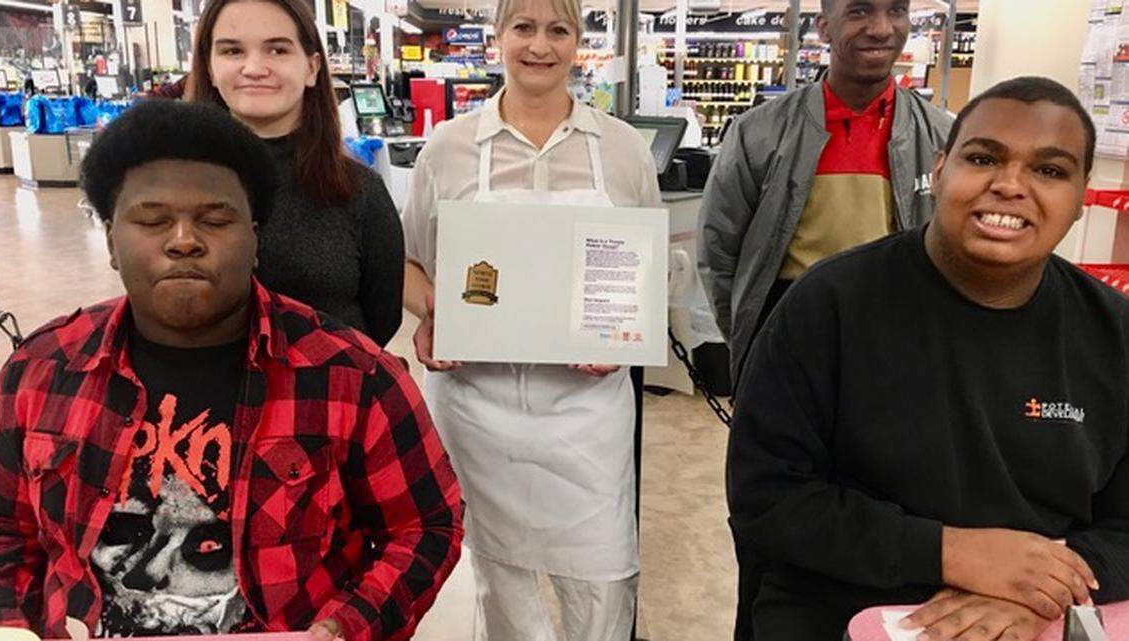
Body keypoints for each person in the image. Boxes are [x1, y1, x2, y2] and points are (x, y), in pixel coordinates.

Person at [0, 101, 463, 641]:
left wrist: (345, 628)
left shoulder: (352, 377)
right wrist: (8, 625)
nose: (183, 240)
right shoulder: (41, 372)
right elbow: (1, 528)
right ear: (112, 241)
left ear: (255, 239)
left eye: (215, 220)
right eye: (152, 220)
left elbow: (427, 526)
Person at [728, 76, 1129, 641]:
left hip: (1039, 615)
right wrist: (954, 554)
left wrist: (1041, 593)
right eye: (983, 158)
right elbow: (767, 497)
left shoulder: (1113, 333)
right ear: (938, 171)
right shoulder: (829, 304)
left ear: (1082, 196)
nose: (1009, 186)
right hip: (844, 608)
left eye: (1049, 170)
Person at [400, 0, 661, 637]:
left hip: (587, 415)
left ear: (577, 41)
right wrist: (436, 311)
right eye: (523, 27)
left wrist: (621, 331)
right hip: (477, 408)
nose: (539, 46)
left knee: (602, 585)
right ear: (498, 36)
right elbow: (407, 261)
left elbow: (645, 268)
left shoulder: (622, 149)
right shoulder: (449, 147)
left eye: (558, 30)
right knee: (501, 586)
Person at [698, 0, 952, 390]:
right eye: (859, 11)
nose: (881, 28)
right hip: (786, 332)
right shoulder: (758, 133)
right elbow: (719, 249)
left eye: (896, 11)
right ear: (824, 28)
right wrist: (747, 339)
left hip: (898, 336)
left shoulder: (941, 137)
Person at [185, 0, 404, 347]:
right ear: (209, 68)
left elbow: (383, 317)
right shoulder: (175, 189)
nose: (254, 68)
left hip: (332, 379)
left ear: (312, 68)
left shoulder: (358, 190)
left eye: (277, 49)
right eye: (232, 51)